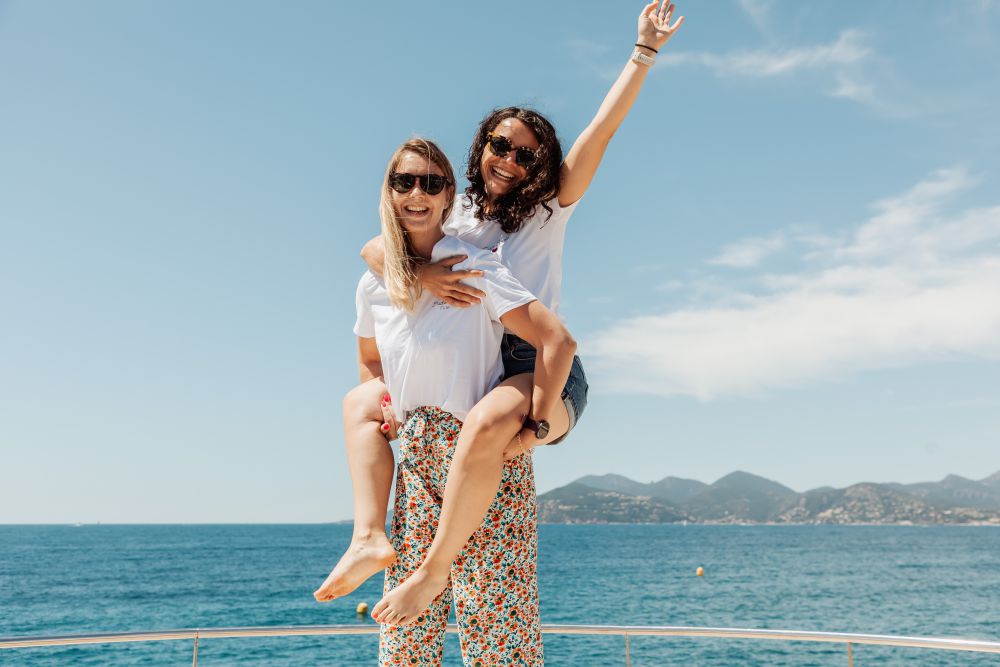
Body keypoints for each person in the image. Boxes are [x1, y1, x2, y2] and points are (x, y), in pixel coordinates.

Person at [314, 0, 685, 623]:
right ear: (480, 146)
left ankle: (432, 575)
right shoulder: (450, 211)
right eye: (500, 144)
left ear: (541, 166)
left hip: (540, 362)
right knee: (359, 403)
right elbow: (375, 246)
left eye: (526, 153)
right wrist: (423, 272)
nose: (510, 159)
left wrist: (642, 53)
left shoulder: (549, 210)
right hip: (484, 364)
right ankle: (369, 537)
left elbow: (601, 132)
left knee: (489, 428)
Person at [345, 137, 574, 664]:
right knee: (404, 648)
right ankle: (366, 538)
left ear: (451, 197)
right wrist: (386, 403)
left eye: (432, 182)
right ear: (389, 192)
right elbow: (369, 360)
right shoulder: (373, 283)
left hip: (482, 461)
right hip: (418, 469)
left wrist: (534, 427)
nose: (417, 192)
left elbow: (555, 341)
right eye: (404, 181)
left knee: (498, 643)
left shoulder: (476, 265)